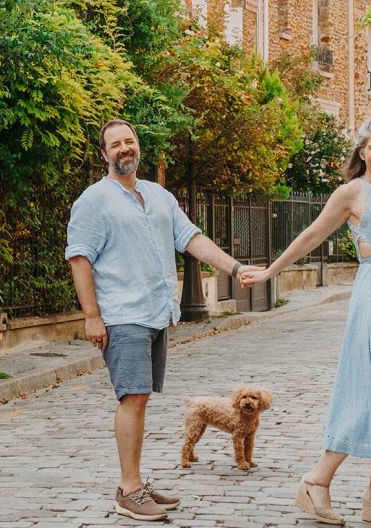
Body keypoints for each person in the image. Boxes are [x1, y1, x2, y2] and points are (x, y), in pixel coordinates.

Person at [242, 118, 371, 528]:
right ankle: (316, 480)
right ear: (361, 153)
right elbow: (312, 235)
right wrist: (270, 272)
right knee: (369, 393)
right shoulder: (350, 193)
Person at [66, 119, 260, 522]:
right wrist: (92, 316)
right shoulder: (94, 200)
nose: (124, 148)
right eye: (115, 144)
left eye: (129, 141)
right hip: (122, 314)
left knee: (141, 398)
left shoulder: (158, 196)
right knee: (131, 397)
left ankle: (135, 482)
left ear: (138, 147)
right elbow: (79, 256)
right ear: (104, 154)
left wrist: (234, 266)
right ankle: (129, 489)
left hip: (156, 312)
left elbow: (191, 238)